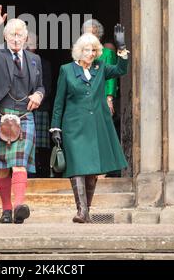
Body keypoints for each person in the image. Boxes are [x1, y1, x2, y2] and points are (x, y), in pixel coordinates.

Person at [0, 5, 45, 224]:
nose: (16, 39)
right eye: (12, 34)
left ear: (25, 38)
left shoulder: (34, 60)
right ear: (5, 36)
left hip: (23, 116)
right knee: (2, 167)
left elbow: (41, 86)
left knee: (20, 162)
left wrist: (39, 96)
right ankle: (6, 209)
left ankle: (19, 205)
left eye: (20, 35)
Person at [50, 25, 129, 223]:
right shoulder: (66, 70)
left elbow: (121, 69)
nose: (91, 54)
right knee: (77, 166)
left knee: (92, 169)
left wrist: (122, 48)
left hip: (96, 125)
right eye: (87, 50)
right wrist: (55, 127)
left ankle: (87, 211)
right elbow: (59, 101)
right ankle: (81, 211)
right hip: (73, 126)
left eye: (94, 50)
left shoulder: (100, 68)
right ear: (79, 51)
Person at [26, 32, 52, 177]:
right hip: (22, 108)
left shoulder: (44, 63)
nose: (29, 47)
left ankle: (42, 174)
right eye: (27, 44)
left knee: (41, 147)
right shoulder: (17, 61)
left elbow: (47, 86)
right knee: (24, 144)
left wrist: (37, 99)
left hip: (40, 108)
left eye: (32, 44)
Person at [82, 19, 117, 115]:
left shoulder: (107, 53)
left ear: (99, 36)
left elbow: (111, 77)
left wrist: (109, 98)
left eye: (92, 33)